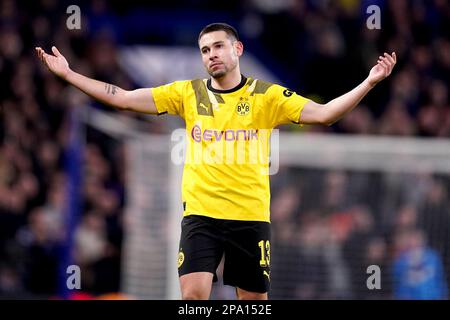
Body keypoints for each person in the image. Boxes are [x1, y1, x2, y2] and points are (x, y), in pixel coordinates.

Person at [35, 22, 396, 300]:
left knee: (252, 300)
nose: (211, 54)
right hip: (201, 216)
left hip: (249, 216)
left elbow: (325, 114)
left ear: (237, 49)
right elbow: (125, 98)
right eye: (205, 49)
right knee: (193, 296)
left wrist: (370, 81)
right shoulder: (186, 94)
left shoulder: (266, 97)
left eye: (219, 46)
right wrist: (68, 74)